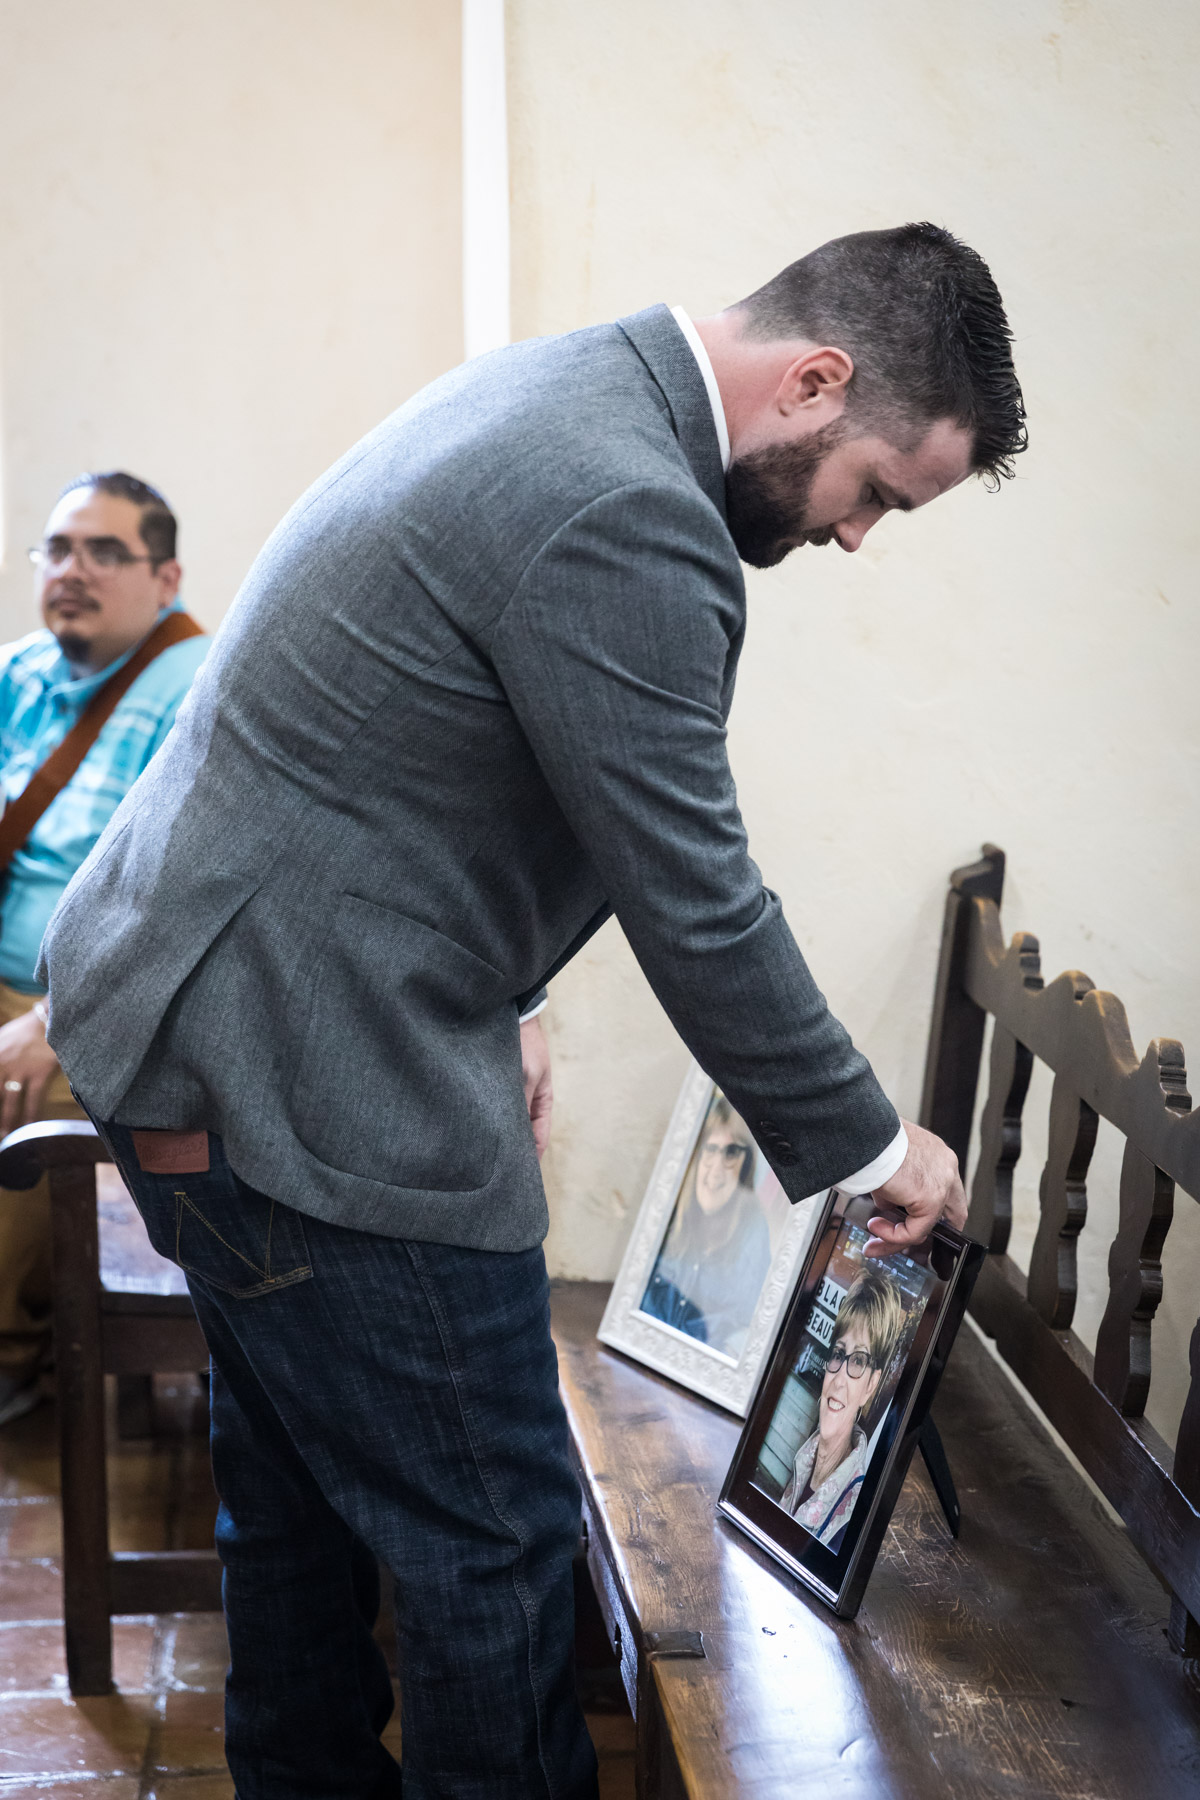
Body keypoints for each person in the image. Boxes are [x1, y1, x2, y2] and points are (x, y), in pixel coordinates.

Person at [41, 223, 1024, 1799]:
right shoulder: (627, 505)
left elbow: (442, 756)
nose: (857, 541)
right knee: (492, 1545)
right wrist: (863, 1147)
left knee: (292, 1520)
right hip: (290, 1059)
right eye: (875, 496)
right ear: (817, 382)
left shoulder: (578, 397)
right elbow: (694, 888)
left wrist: (514, 991)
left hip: (199, 1020)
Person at [0, 472, 208, 1427]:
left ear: (164, 577)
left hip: (101, 1006)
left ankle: (13, 1351)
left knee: (17, 1094)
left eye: (104, 552)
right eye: (57, 549)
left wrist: (55, 1019)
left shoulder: (198, 687)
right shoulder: (19, 673)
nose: (72, 570)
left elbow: (167, 901)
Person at [782, 1265, 906, 1548]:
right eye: (839, 1354)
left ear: (871, 1387)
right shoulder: (805, 1458)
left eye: (859, 1361)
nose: (838, 1380)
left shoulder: (853, 1516)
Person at [641, 1094, 771, 1356]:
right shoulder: (667, 1211)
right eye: (710, 1149)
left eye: (732, 1152)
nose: (716, 1168)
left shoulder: (754, 1230)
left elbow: (745, 1333)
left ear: (746, 1165)